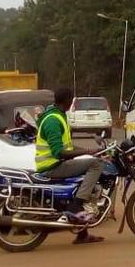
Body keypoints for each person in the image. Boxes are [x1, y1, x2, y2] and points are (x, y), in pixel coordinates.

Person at [35, 87, 105, 243]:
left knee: (93, 160)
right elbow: (59, 152)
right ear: (66, 100)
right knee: (97, 164)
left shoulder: (59, 116)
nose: (71, 103)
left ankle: (82, 235)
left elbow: (69, 147)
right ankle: (77, 205)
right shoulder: (53, 120)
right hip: (52, 166)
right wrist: (90, 153)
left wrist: (92, 151)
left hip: (57, 163)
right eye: (71, 99)